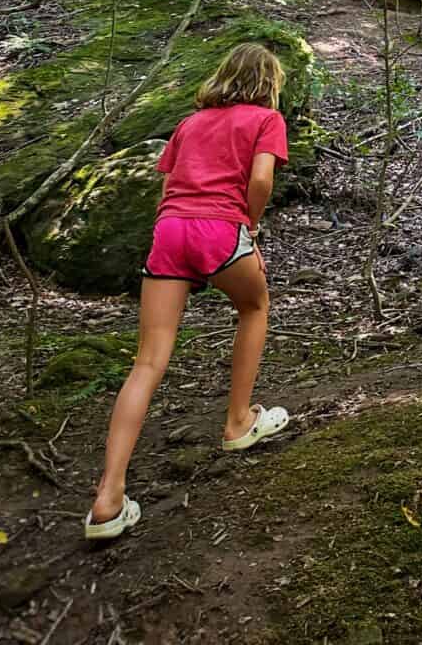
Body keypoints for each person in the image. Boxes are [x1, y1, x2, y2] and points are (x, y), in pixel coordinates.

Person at [85, 43, 292, 540]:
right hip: (219, 229)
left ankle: (108, 499)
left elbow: (166, 187)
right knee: (254, 306)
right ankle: (238, 421)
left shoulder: (190, 123)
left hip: (169, 230)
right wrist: (250, 226)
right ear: (269, 83)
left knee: (147, 361)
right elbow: (260, 178)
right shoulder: (266, 119)